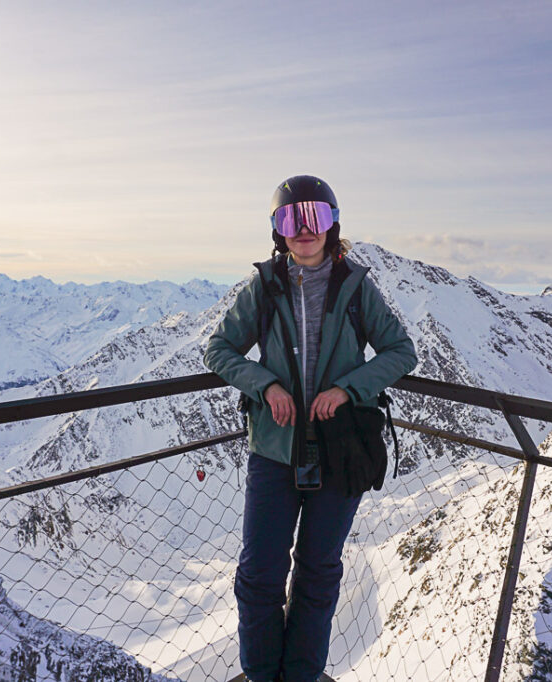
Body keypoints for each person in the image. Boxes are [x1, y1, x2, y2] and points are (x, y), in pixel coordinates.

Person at [204, 175, 417, 682]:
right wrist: (265, 386)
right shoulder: (265, 286)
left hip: (341, 450)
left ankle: (300, 675)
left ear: (332, 225)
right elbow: (219, 349)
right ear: (278, 230)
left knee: (318, 573)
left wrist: (348, 389)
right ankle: (262, 674)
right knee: (260, 574)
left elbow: (401, 351)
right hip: (274, 451)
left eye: (314, 217)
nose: (303, 229)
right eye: (290, 218)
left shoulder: (355, 287)